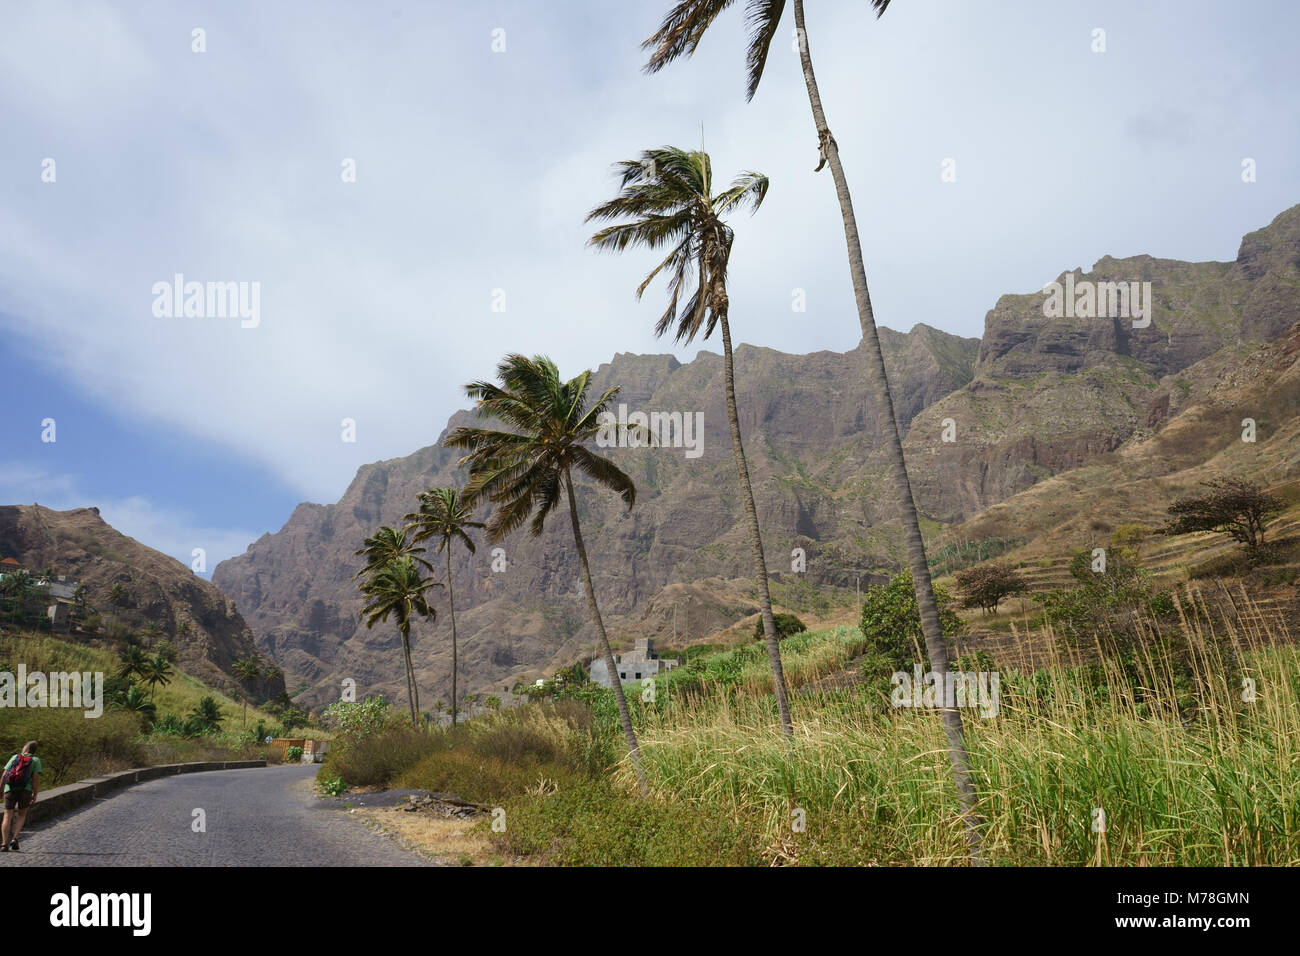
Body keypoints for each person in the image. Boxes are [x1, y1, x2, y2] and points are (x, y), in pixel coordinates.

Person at [1, 741, 42, 852]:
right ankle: (15, 838)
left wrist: (1, 790)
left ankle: (4, 844)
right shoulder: (36, 760)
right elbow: (35, 779)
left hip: (10, 789)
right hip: (25, 790)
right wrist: (35, 793)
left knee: (7, 816)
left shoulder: (15, 757)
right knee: (21, 815)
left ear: (25, 748)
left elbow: (4, 774)